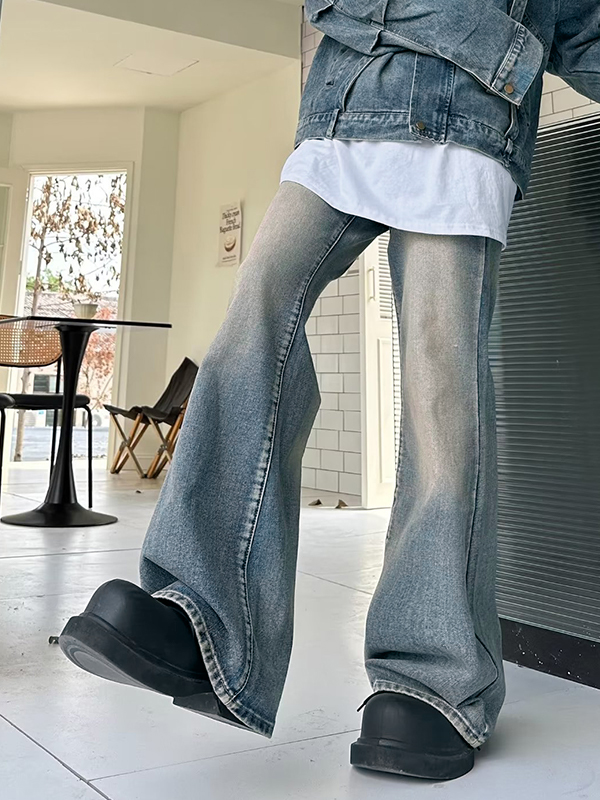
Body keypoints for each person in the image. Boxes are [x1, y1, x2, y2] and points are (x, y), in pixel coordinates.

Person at [58, 0, 600, 783]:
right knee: (254, 318)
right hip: (342, 121)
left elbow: (582, 29)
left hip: (470, 138)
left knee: (440, 393)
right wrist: (490, 46)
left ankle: (434, 680)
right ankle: (200, 621)